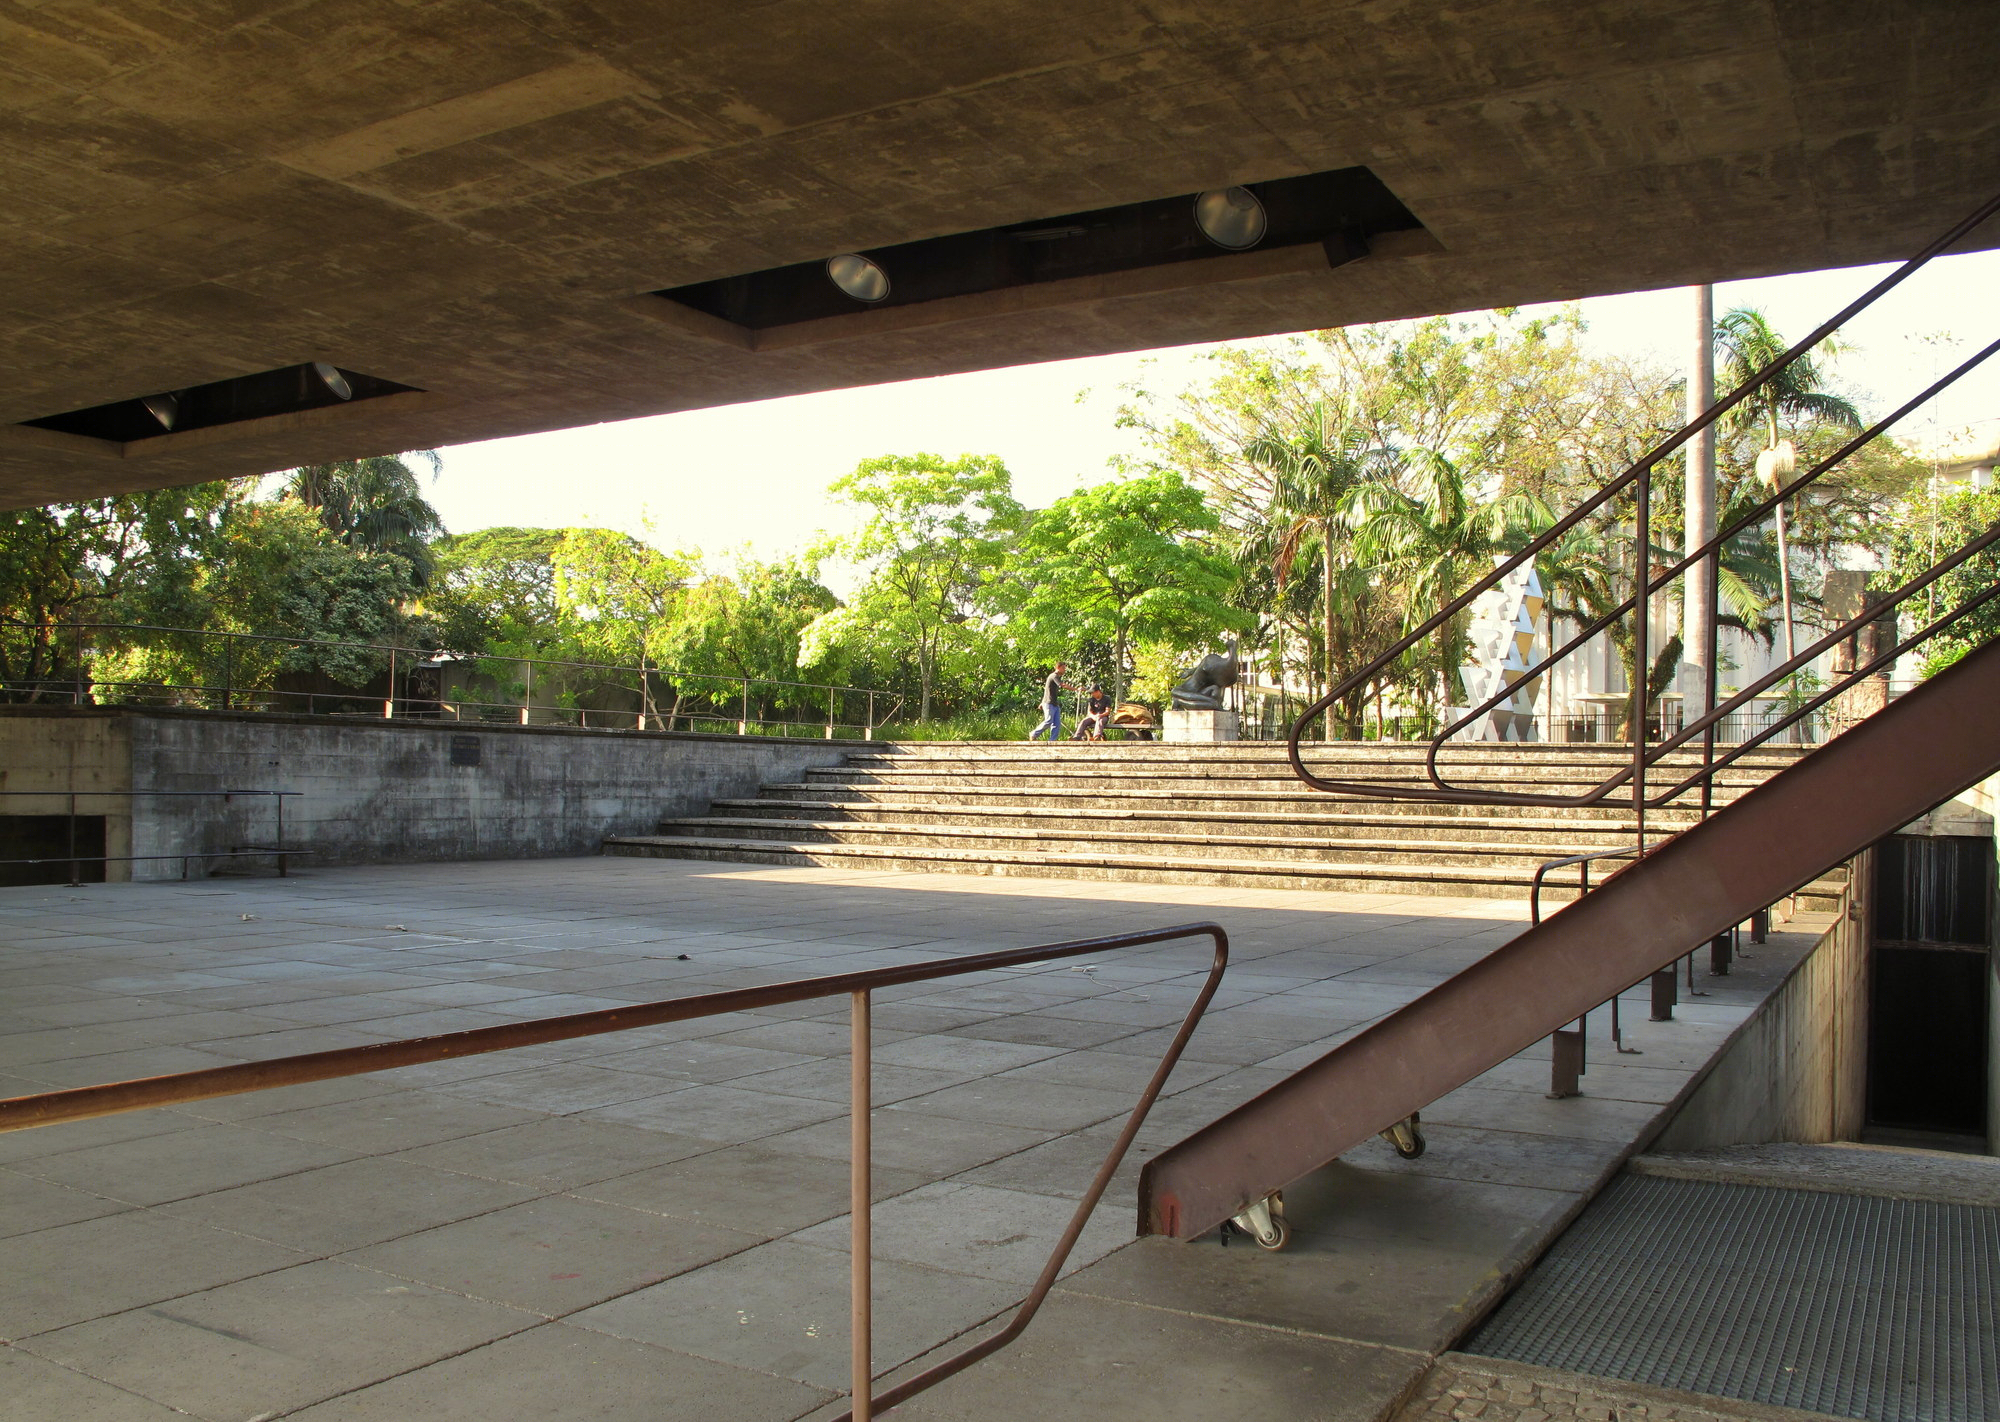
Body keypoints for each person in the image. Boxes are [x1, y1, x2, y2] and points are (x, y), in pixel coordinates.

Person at [1026, 661, 1068, 741]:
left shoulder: (1057, 677)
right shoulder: (1053, 676)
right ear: (1058, 668)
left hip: (1054, 704)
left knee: (1056, 724)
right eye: (1063, 668)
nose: (1064, 670)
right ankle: (1034, 734)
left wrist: (1042, 702)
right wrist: (1076, 689)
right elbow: (1063, 686)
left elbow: (1047, 690)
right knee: (1048, 721)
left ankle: (1052, 741)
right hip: (1049, 703)